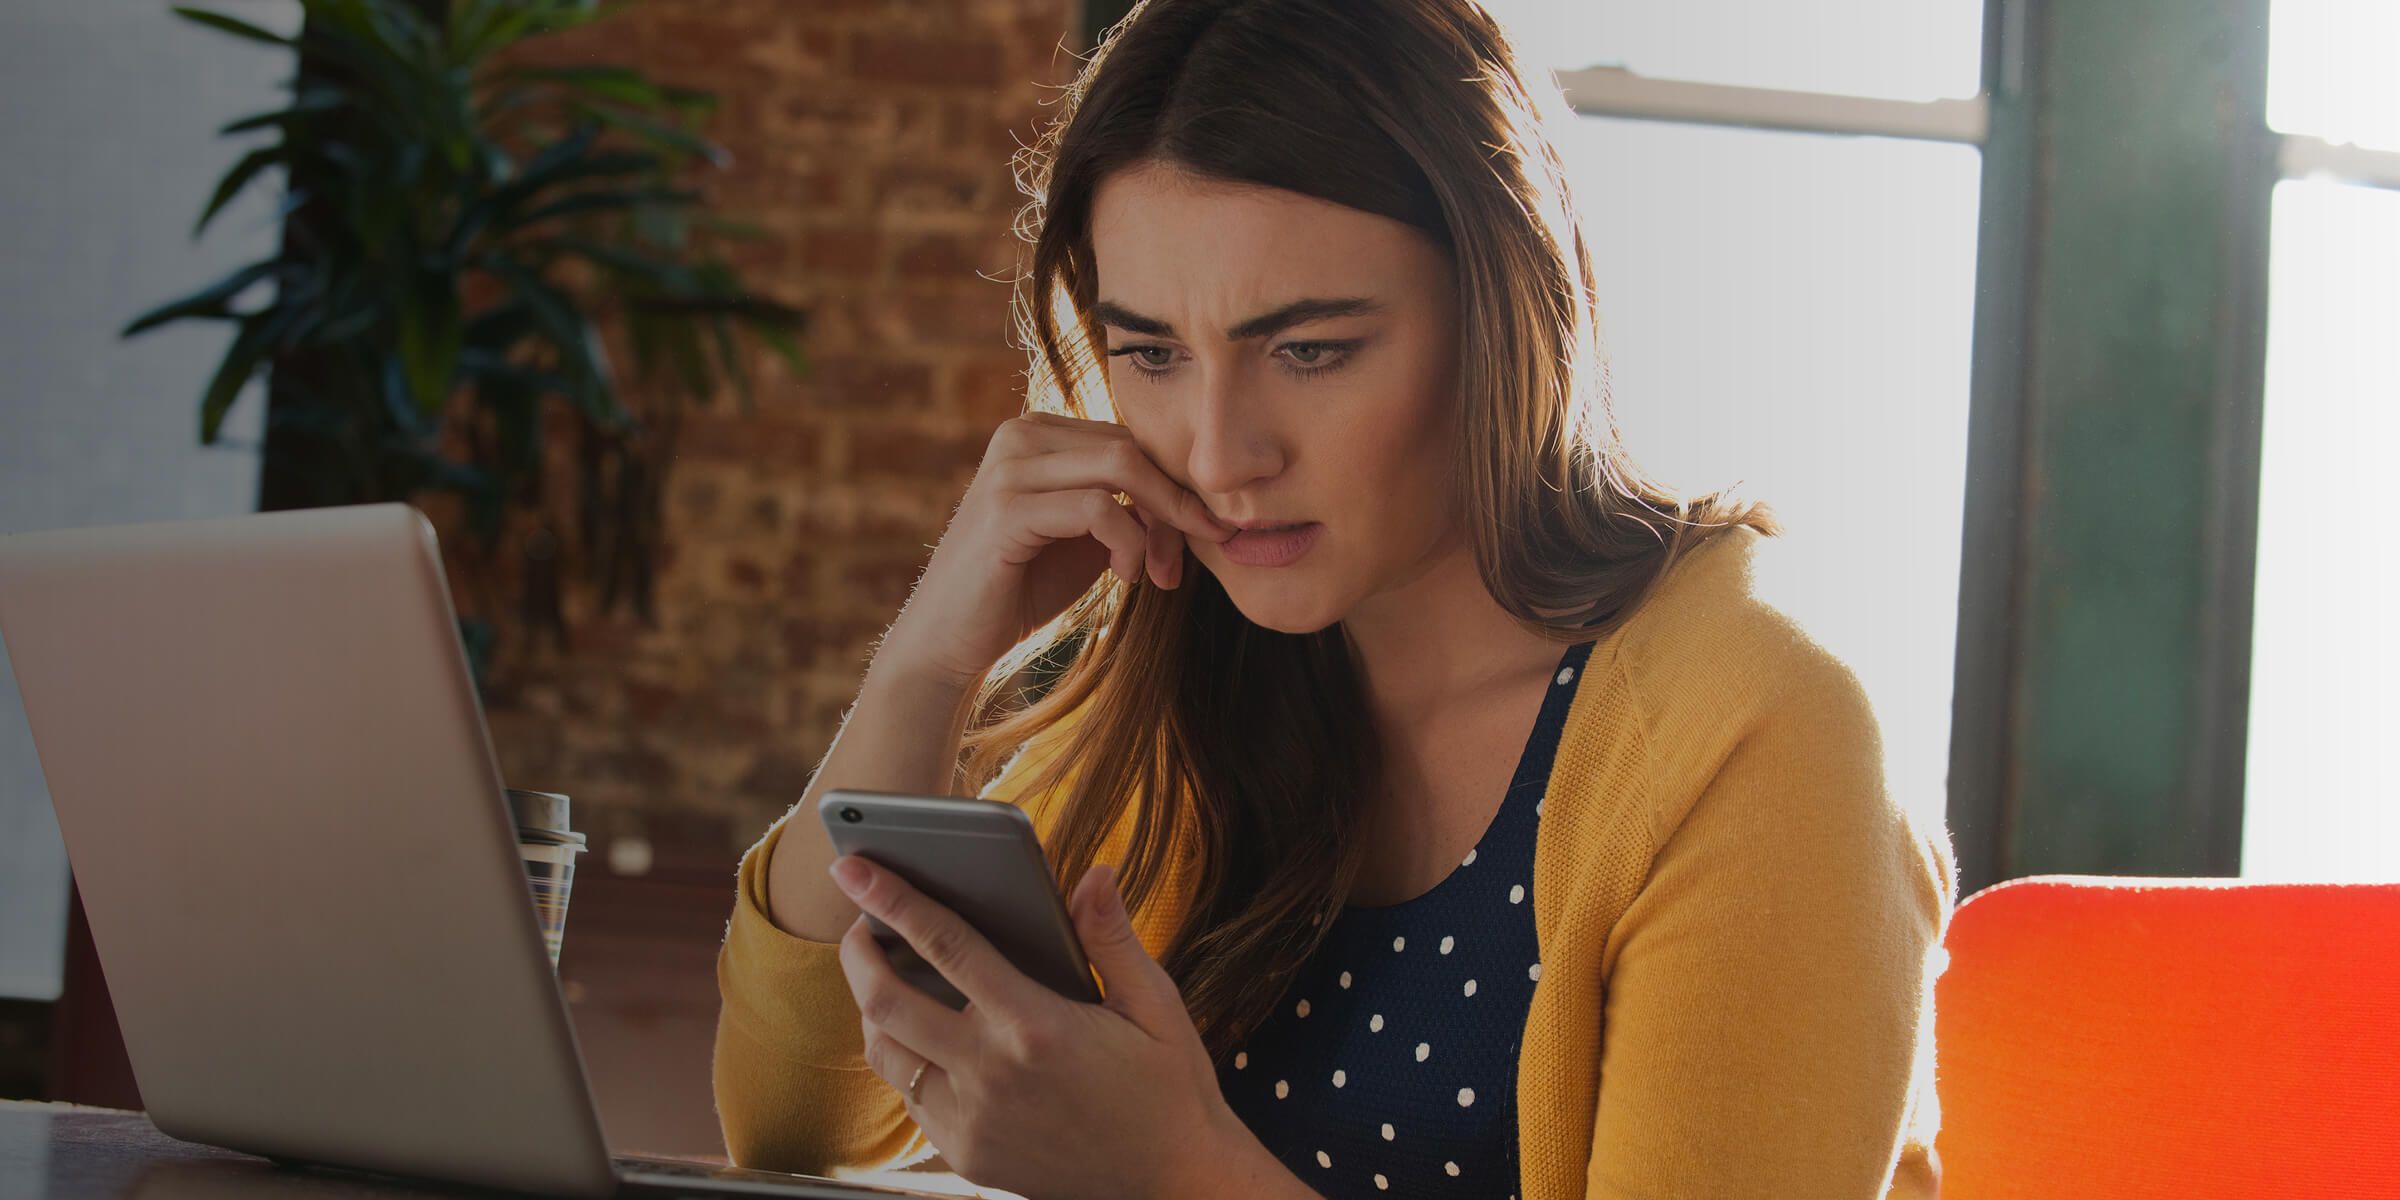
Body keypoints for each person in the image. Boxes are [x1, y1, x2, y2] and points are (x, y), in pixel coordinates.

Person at [713, 0, 1957, 1196]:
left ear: (1504, 314)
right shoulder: (1204, 673)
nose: (1217, 453)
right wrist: (931, 659)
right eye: (1150, 353)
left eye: (1309, 351)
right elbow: (793, 1125)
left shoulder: (1761, 732)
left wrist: (1173, 1177)